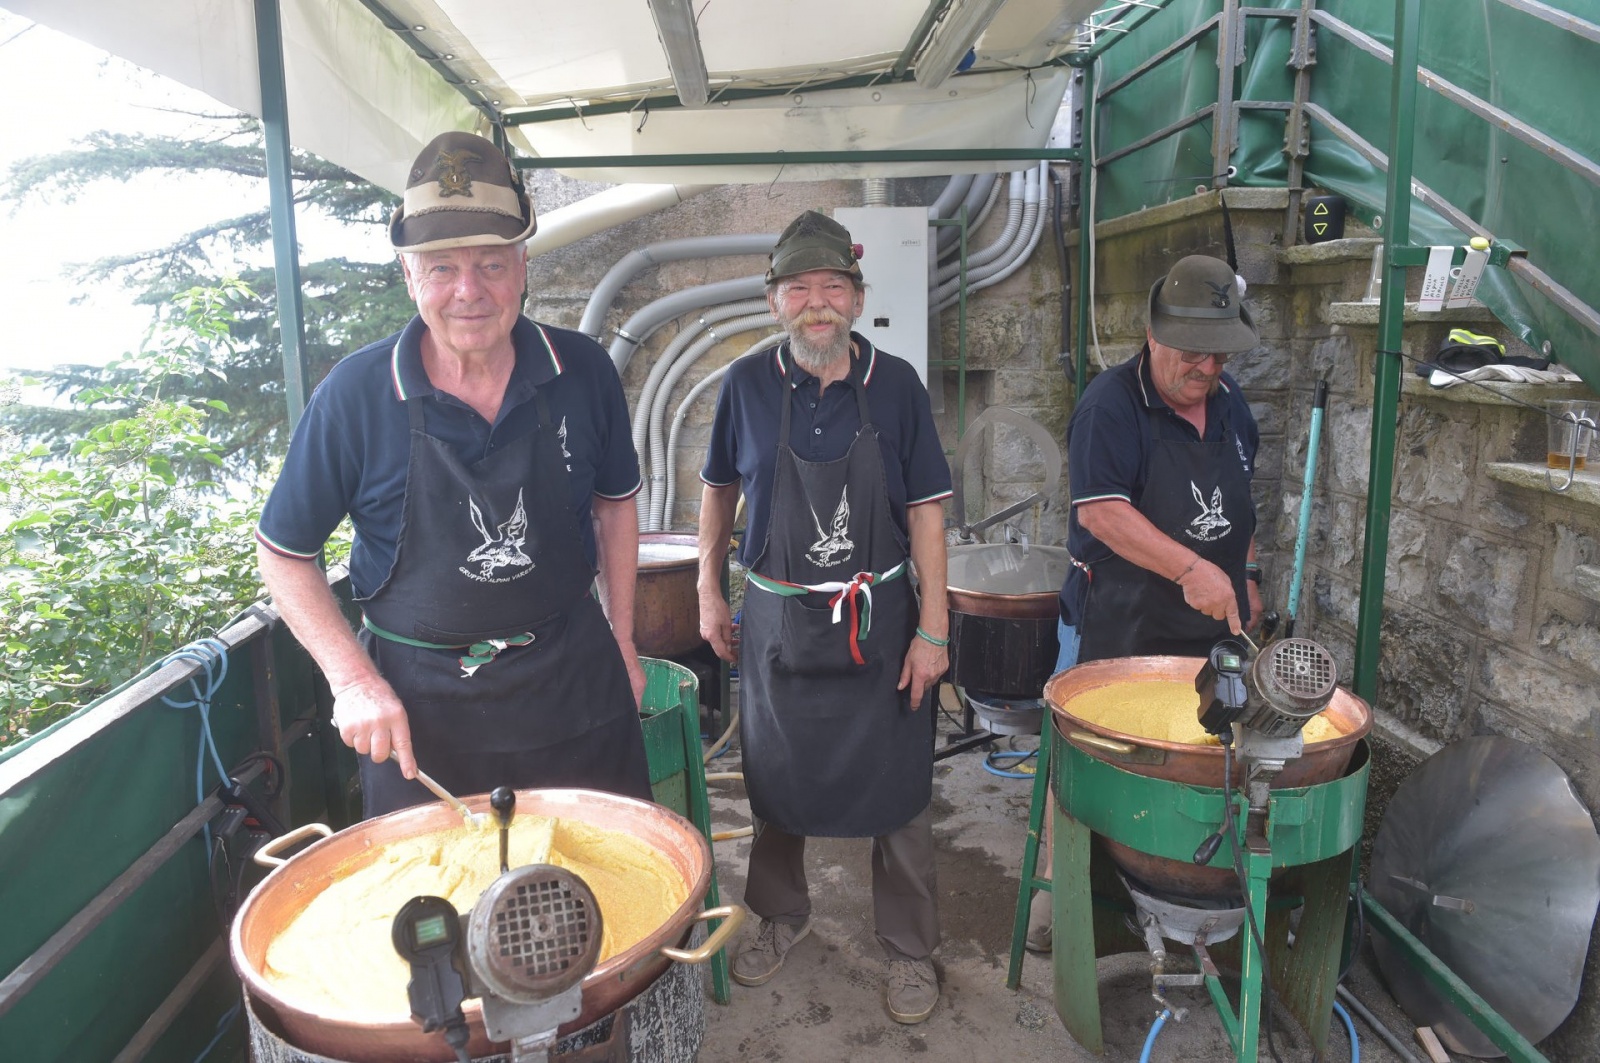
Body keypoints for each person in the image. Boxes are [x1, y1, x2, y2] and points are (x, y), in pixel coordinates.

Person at [255, 131, 651, 819]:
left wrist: (622, 639)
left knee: (611, 899)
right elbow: (285, 552)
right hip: (422, 720)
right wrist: (353, 682)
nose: (469, 291)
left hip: (577, 688)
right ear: (409, 275)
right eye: (441, 267)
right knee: (441, 909)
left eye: (491, 265)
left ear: (523, 267)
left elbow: (615, 507)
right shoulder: (355, 395)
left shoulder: (583, 372)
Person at [695, 211, 952, 1024]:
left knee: (901, 790)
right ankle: (778, 916)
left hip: (879, 621)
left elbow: (929, 516)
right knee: (775, 781)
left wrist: (934, 630)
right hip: (775, 621)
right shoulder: (743, 385)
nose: (817, 303)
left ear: (857, 296)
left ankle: (911, 950)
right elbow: (717, 495)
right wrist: (708, 588)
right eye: (799, 287)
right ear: (775, 301)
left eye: (832, 286)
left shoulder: (898, 385)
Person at [1029, 253, 1265, 951]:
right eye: (1192, 352)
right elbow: (1101, 512)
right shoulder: (1109, 405)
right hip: (1118, 616)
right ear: (1153, 335)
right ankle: (1058, 895)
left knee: (1188, 757)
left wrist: (1245, 574)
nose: (1207, 368)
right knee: (1084, 758)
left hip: (1206, 627)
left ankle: (1161, 885)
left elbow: (1243, 511)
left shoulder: (1231, 406)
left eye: (1219, 354)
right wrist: (1191, 566)